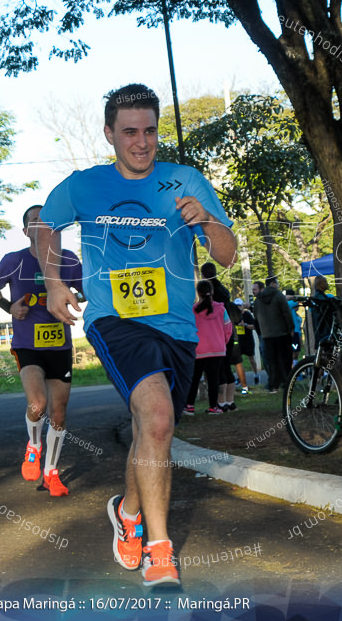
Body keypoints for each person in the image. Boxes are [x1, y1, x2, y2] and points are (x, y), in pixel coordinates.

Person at [35, 83, 236, 588]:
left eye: (149, 131)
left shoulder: (185, 181)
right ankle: (159, 550)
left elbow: (228, 254)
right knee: (159, 416)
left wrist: (207, 220)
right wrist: (56, 283)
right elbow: (45, 226)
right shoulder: (84, 185)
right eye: (129, 132)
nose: (141, 142)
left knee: (154, 428)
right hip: (115, 320)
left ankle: (128, 511)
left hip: (177, 327)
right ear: (109, 133)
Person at [0, 204, 84, 497]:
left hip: (60, 344)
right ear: (26, 231)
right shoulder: (14, 260)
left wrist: (72, 297)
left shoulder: (67, 260)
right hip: (28, 345)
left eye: (47, 220)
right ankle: (33, 446)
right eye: (35, 221)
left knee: (59, 414)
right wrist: (10, 307)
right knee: (37, 404)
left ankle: (51, 473)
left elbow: (87, 289)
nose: (41, 225)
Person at [184, 280, 233, 415]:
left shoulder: (193, 310)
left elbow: (188, 330)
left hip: (199, 350)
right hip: (217, 349)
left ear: (198, 293)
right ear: (211, 292)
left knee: (194, 378)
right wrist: (222, 341)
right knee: (214, 380)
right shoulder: (221, 309)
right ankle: (213, 407)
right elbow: (228, 328)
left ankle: (189, 405)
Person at [200, 261, 240, 410]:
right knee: (227, 367)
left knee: (218, 369)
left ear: (203, 275)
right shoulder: (223, 289)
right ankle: (230, 401)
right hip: (228, 331)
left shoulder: (210, 292)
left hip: (216, 333)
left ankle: (221, 402)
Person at [253, 276, 294, 393]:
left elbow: (255, 318)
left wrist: (261, 332)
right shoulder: (279, 296)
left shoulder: (258, 300)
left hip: (267, 335)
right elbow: (286, 313)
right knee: (285, 359)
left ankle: (273, 385)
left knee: (272, 361)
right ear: (272, 284)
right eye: (277, 283)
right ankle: (287, 383)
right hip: (282, 333)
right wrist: (291, 328)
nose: (278, 286)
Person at [233, 298, 257, 392]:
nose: (238, 308)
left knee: (251, 359)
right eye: (236, 306)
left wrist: (245, 324)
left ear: (242, 306)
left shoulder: (247, 315)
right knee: (238, 361)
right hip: (238, 341)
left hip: (248, 340)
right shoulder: (234, 316)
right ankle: (239, 378)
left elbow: (254, 326)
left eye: (239, 306)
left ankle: (255, 374)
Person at [285, 289, 303, 361]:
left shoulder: (295, 314)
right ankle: (293, 369)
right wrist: (293, 297)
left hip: (296, 332)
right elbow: (300, 298)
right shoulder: (290, 303)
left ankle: (295, 367)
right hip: (293, 332)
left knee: (296, 352)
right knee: (294, 352)